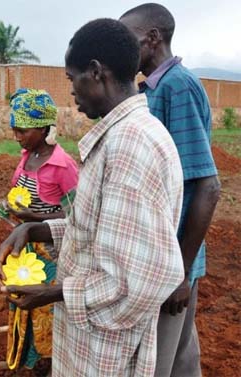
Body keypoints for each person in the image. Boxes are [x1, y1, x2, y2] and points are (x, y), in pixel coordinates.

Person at [0, 19, 186, 376]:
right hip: (91, 343)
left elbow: (138, 279)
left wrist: (53, 293)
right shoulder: (122, 136)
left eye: (71, 79)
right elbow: (107, 232)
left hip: (104, 352)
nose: (71, 92)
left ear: (96, 72)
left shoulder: (130, 147)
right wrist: (37, 231)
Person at [120, 4, 221, 376]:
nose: (123, 49)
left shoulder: (178, 87)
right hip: (168, 257)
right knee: (180, 357)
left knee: (158, 362)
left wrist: (180, 271)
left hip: (170, 262)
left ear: (152, 38)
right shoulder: (156, 88)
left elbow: (207, 186)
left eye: (128, 40)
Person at [0, 88, 78, 372]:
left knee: (45, 311)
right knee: (19, 301)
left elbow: (78, 214)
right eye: (15, 130)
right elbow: (20, 190)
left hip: (52, 251)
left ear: (42, 128)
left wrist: (35, 216)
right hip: (25, 245)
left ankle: (50, 365)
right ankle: (19, 357)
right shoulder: (27, 156)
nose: (17, 137)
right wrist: (10, 206)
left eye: (22, 131)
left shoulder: (63, 165)